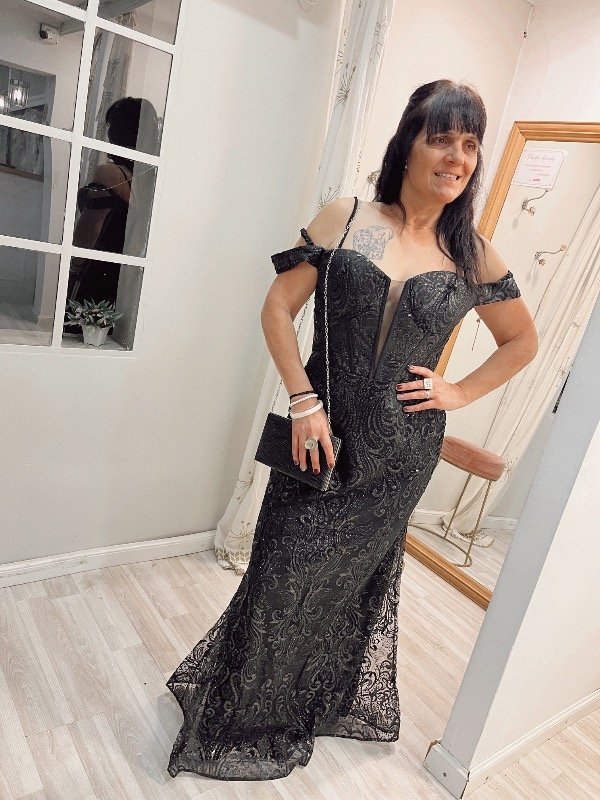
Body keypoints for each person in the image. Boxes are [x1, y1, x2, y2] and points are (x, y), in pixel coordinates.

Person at [165, 79, 538, 781]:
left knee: (345, 587)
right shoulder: (349, 217)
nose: (456, 157)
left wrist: (458, 389)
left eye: (469, 145)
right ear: (408, 145)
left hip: (401, 456)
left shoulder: (472, 254)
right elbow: (278, 309)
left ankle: (313, 699)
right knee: (279, 576)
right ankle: (243, 715)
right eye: (441, 139)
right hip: (319, 437)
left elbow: (522, 341)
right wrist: (303, 400)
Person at [65, 97, 158, 321]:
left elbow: (90, 229)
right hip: (126, 275)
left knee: (84, 332)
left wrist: (73, 266)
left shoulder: (110, 173)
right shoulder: (152, 177)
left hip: (98, 270)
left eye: (111, 125)